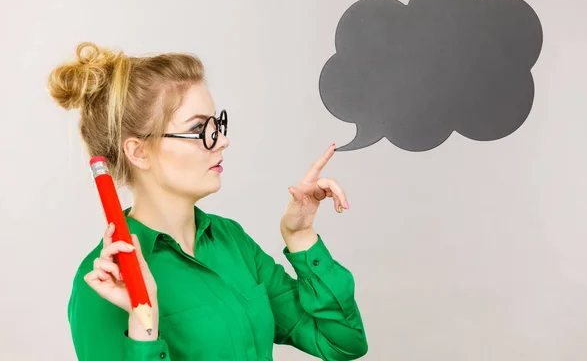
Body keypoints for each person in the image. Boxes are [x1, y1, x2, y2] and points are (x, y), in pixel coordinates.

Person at [48, 42, 368, 360]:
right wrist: (144, 325)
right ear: (139, 152)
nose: (223, 141)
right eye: (200, 129)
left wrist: (300, 236)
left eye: (217, 124)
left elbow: (342, 341)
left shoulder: (232, 242)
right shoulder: (106, 283)